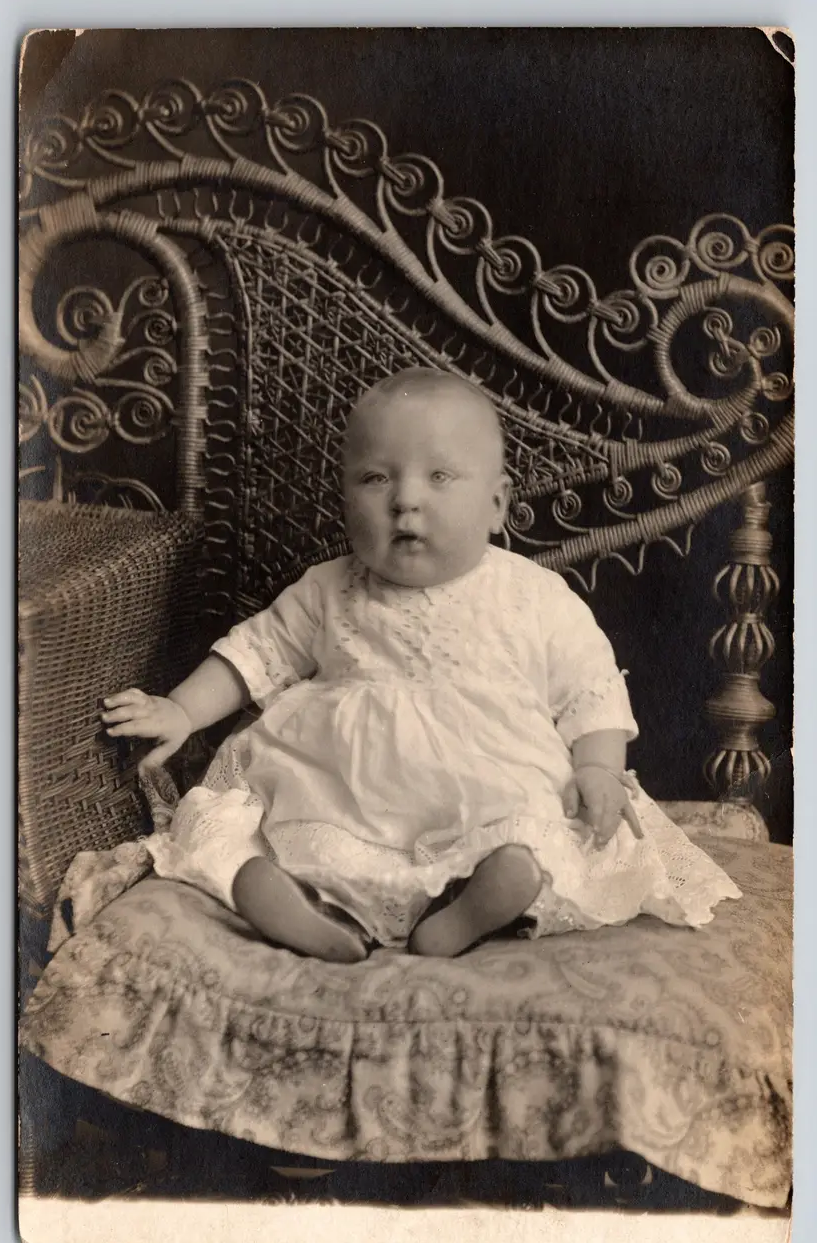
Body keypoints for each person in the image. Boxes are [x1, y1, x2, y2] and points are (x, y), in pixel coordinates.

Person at [101, 367, 741, 963]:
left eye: (440, 477)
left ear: (496, 504)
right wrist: (182, 708)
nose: (405, 500)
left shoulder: (534, 596)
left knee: (536, 838)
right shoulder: (329, 589)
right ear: (344, 497)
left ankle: (467, 908)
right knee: (297, 838)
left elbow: (589, 692)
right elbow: (253, 655)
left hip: (486, 794)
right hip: (343, 787)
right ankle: (318, 911)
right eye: (376, 479)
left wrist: (599, 768)